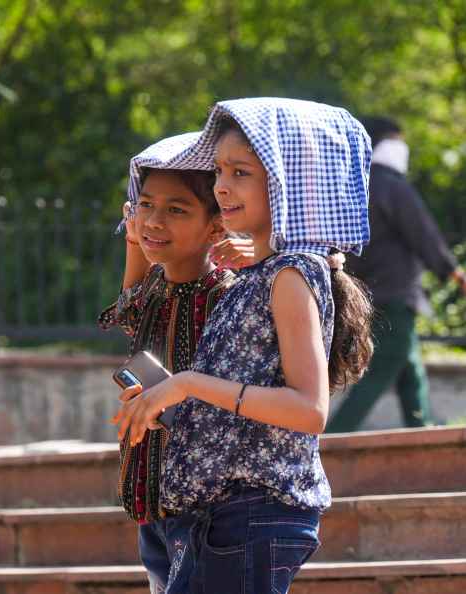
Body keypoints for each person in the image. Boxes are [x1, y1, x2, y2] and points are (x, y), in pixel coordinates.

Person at [112, 98, 374, 594]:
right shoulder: (260, 276)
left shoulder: (291, 273)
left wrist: (186, 384)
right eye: (219, 171)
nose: (222, 187)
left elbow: (310, 409)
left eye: (241, 172)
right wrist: (169, 398)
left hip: (253, 514)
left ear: (287, 180)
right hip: (220, 518)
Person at [98, 132, 239, 593]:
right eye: (145, 205)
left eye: (176, 209)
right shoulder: (153, 292)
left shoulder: (232, 298)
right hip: (149, 496)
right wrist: (134, 241)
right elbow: (127, 312)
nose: (154, 220)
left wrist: (175, 403)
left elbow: (238, 400)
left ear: (216, 227)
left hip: (205, 506)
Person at [326, 116, 466, 432]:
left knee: (409, 368)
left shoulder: (355, 185)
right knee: (385, 367)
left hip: (367, 294)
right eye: (396, 139)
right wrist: (453, 272)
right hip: (395, 295)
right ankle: (336, 438)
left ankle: (422, 430)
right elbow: (423, 233)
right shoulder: (392, 185)